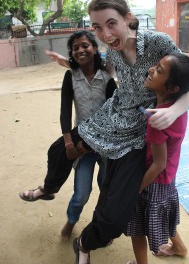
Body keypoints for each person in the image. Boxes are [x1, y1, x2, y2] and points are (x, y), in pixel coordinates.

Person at [54, 0, 189, 264]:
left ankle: (110, 241)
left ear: (128, 19)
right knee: (151, 201)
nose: (105, 34)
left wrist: (174, 111)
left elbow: (187, 83)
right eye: (97, 27)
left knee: (147, 201)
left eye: (111, 23)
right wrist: (69, 63)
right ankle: (175, 246)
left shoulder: (158, 43)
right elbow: (103, 70)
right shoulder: (113, 54)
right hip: (127, 130)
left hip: (155, 134)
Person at [19, 30, 117, 240]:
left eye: (85, 45)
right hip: (81, 142)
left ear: (95, 48)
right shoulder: (70, 76)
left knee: (106, 191)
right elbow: (65, 111)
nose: (80, 50)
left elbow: (113, 116)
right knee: (81, 195)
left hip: (107, 146)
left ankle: (102, 230)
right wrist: (68, 143)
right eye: (75, 48)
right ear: (71, 54)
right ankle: (71, 221)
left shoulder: (107, 78)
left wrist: (87, 145)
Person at [125, 52, 189, 264]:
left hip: (154, 180)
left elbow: (159, 163)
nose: (151, 70)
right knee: (163, 215)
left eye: (159, 70)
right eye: (155, 65)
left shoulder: (158, 120)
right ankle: (179, 247)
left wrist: (137, 187)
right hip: (168, 177)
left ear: (172, 88)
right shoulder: (176, 110)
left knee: (138, 224)